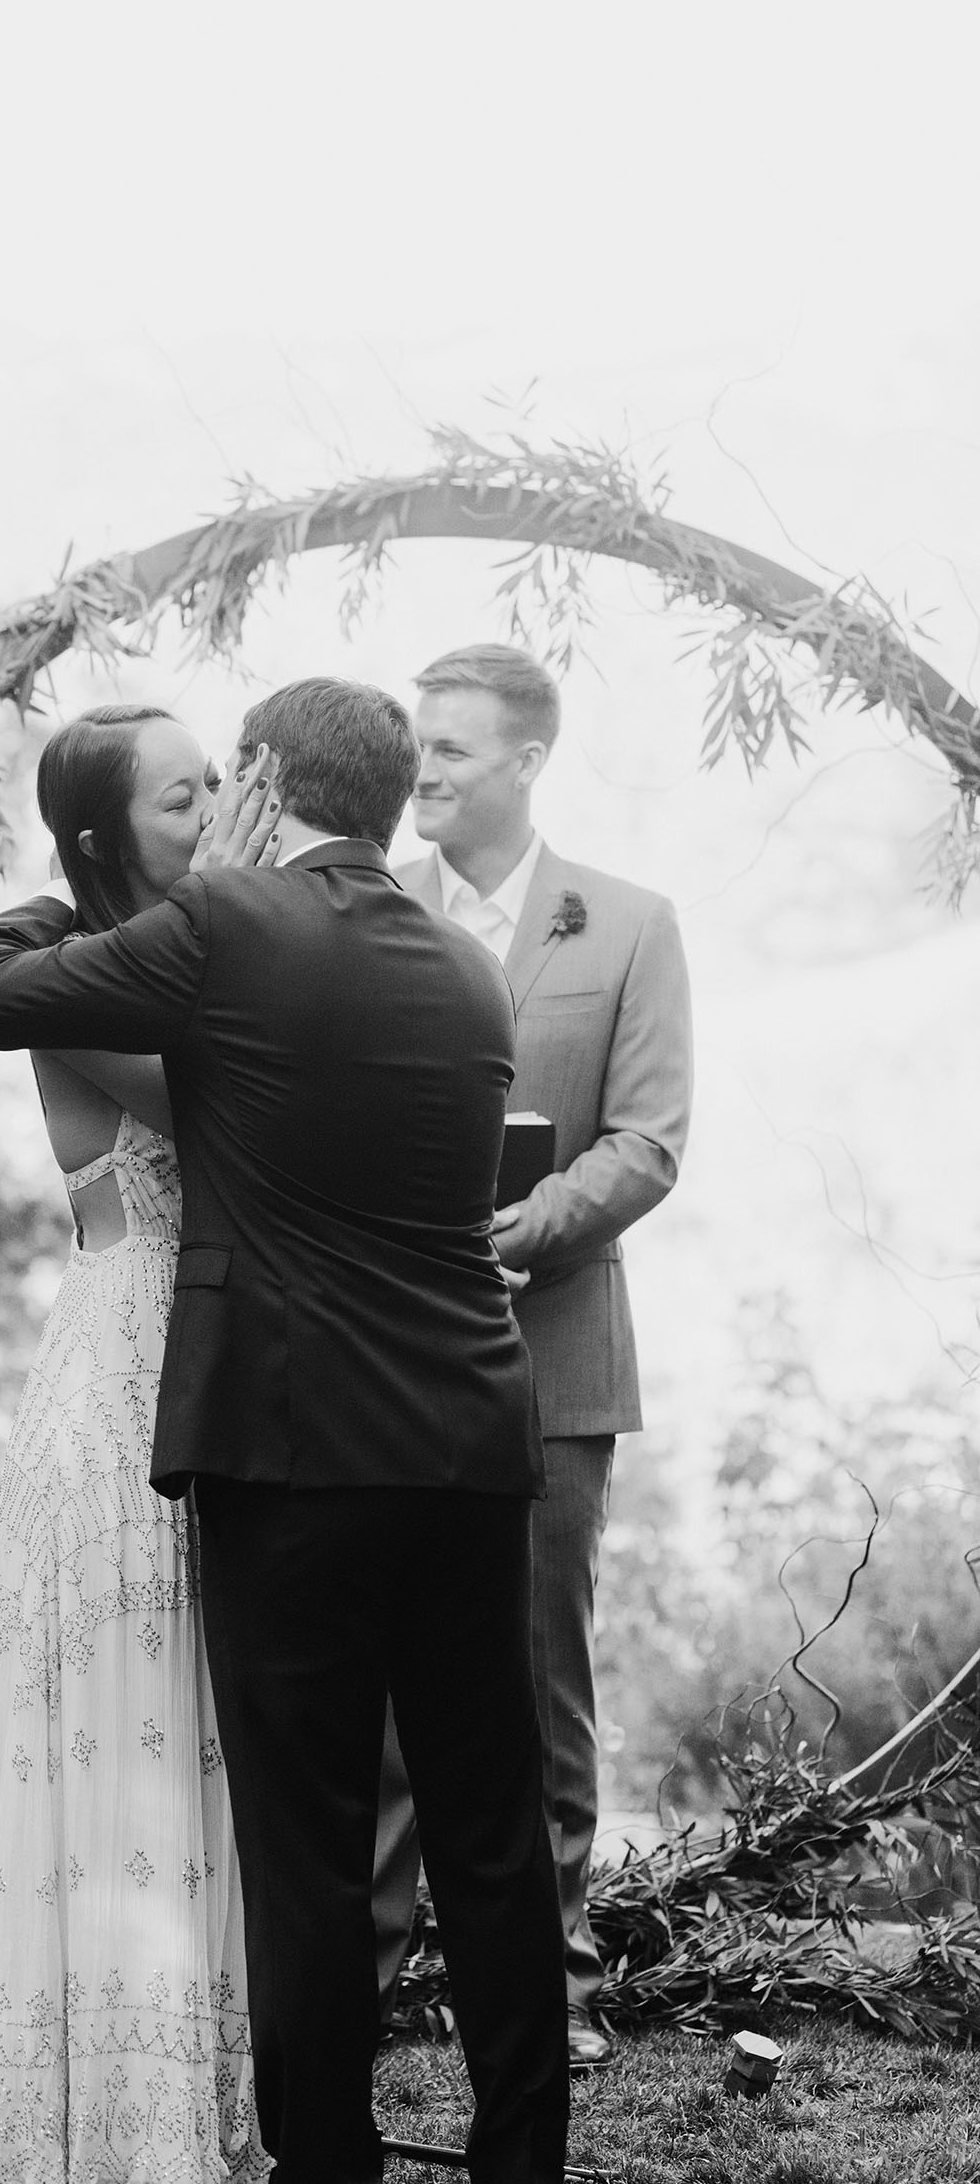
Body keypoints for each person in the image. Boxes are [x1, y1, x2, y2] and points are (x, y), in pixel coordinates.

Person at [0, 677, 570, 2184]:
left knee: (305, 1843)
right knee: (494, 1837)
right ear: (393, 797)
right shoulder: (467, 969)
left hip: (297, 1448)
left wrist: (80, 871)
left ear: (272, 780)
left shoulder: (225, 930)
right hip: (475, 1442)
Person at [0, 704, 279, 2184]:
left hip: (224, 1367)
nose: (217, 809)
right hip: (123, 1363)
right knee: (114, 1720)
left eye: (221, 784)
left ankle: (179, 2115)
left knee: (190, 1719)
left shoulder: (210, 945)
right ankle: (84, 2139)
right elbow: (224, 1094)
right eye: (188, 794)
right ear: (100, 833)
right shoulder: (68, 977)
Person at [375, 643, 693, 2069]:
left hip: (555, 1351)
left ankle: (551, 1984)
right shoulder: (365, 913)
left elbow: (651, 1138)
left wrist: (529, 1226)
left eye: (447, 748)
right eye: (414, 746)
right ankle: (367, 1977)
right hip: (377, 1357)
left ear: (524, 762)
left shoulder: (626, 923)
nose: (421, 771)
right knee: (374, 1668)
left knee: (535, 1673)